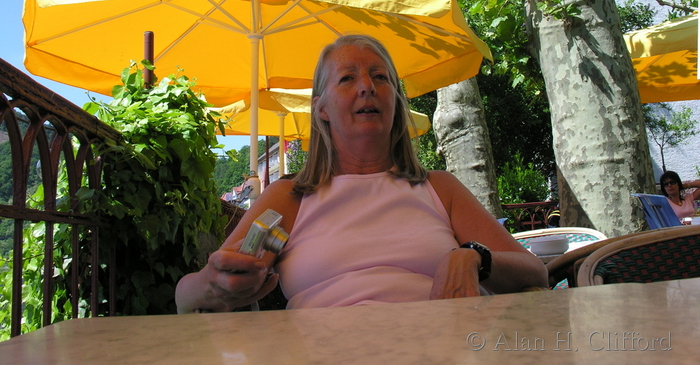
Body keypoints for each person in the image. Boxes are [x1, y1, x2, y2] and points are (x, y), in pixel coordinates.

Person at [176, 35, 547, 313]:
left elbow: (535, 273)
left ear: (395, 102)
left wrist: (473, 257)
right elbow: (187, 297)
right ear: (321, 109)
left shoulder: (439, 188)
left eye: (380, 77)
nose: (367, 86)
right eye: (347, 79)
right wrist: (209, 283)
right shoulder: (290, 198)